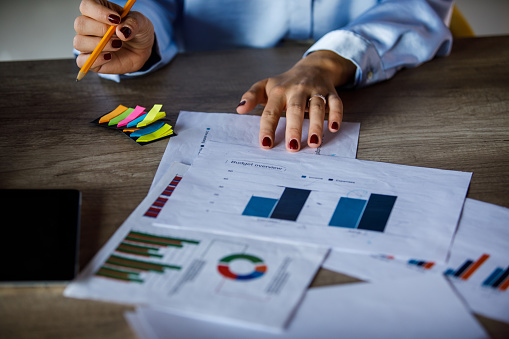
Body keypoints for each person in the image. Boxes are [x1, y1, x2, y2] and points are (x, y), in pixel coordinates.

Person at [74, 0, 453, 152]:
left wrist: (327, 61)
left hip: (383, 84)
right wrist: (142, 33)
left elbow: (418, 6)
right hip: (201, 88)